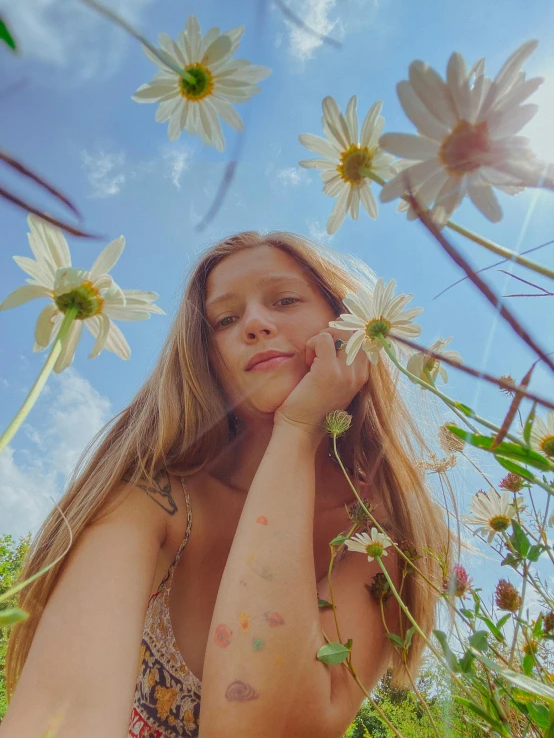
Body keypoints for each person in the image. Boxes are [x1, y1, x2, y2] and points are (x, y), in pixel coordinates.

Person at [2, 231, 448, 738]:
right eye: (225, 319)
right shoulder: (149, 499)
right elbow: (62, 715)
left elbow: (259, 726)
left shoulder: (386, 538)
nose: (256, 324)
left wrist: (297, 432)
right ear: (205, 355)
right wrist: (298, 430)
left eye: (284, 300)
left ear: (350, 323)